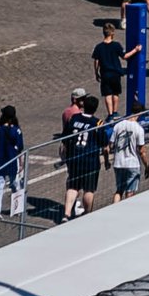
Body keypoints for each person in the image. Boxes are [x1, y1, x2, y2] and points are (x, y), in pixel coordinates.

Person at [59, 91, 103, 219]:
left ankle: (66, 214)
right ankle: (87, 214)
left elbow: (65, 137)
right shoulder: (98, 123)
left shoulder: (74, 118)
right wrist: (105, 159)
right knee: (89, 189)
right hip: (90, 160)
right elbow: (103, 143)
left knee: (73, 187)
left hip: (74, 157)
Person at [0, 104, 26, 220]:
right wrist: (21, 162)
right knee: (15, 184)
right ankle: (17, 208)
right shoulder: (16, 130)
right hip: (12, 161)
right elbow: (20, 147)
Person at [107, 107, 149, 200]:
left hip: (118, 163)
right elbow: (142, 151)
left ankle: (115, 208)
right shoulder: (139, 129)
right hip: (132, 164)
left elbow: (110, 144)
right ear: (139, 113)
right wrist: (147, 166)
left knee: (119, 190)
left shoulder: (118, 125)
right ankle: (126, 212)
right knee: (130, 192)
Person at [92, 20, 126, 117]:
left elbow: (96, 61)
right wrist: (135, 50)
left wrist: (96, 72)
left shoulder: (99, 47)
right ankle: (115, 112)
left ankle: (110, 113)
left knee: (107, 94)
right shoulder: (116, 45)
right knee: (115, 93)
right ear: (113, 33)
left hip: (105, 73)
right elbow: (124, 56)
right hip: (115, 73)